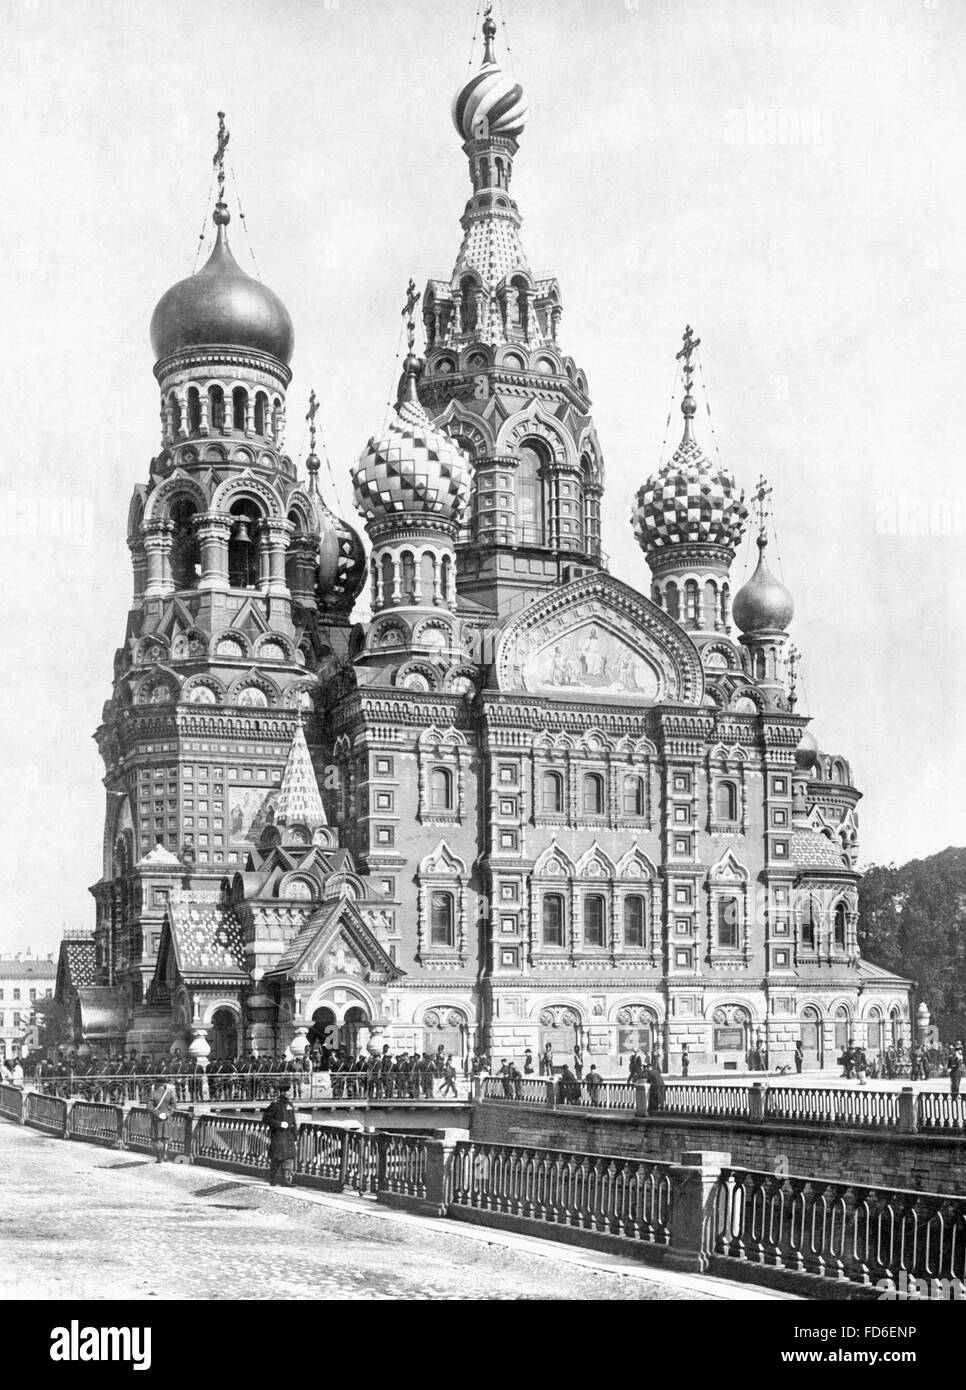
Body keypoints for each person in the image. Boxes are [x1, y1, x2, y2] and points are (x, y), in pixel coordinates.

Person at [262, 1081, 298, 1187]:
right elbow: (266, 1118)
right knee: (277, 1158)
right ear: (282, 1092)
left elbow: (293, 1121)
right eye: (288, 1091)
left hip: (288, 1136)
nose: (290, 1093)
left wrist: (295, 1136)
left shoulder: (290, 1104)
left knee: (289, 1157)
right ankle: (272, 1179)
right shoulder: (275, 1104)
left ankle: (285, 1180)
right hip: (279, 1135)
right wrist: (279, 1124)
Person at [146, 1076, 178, 1164]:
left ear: (156, 1084)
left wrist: (158, 1113)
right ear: (164, 1085)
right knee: (166, 1137)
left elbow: (149, 1107)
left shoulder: (152, 1094)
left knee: (157, 1138)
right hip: (167, 1118)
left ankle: (159, 1157)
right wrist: (167, 1114)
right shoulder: (169, 1094)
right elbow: (174, 1107)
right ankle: (165, 1155)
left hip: (157, 1118)